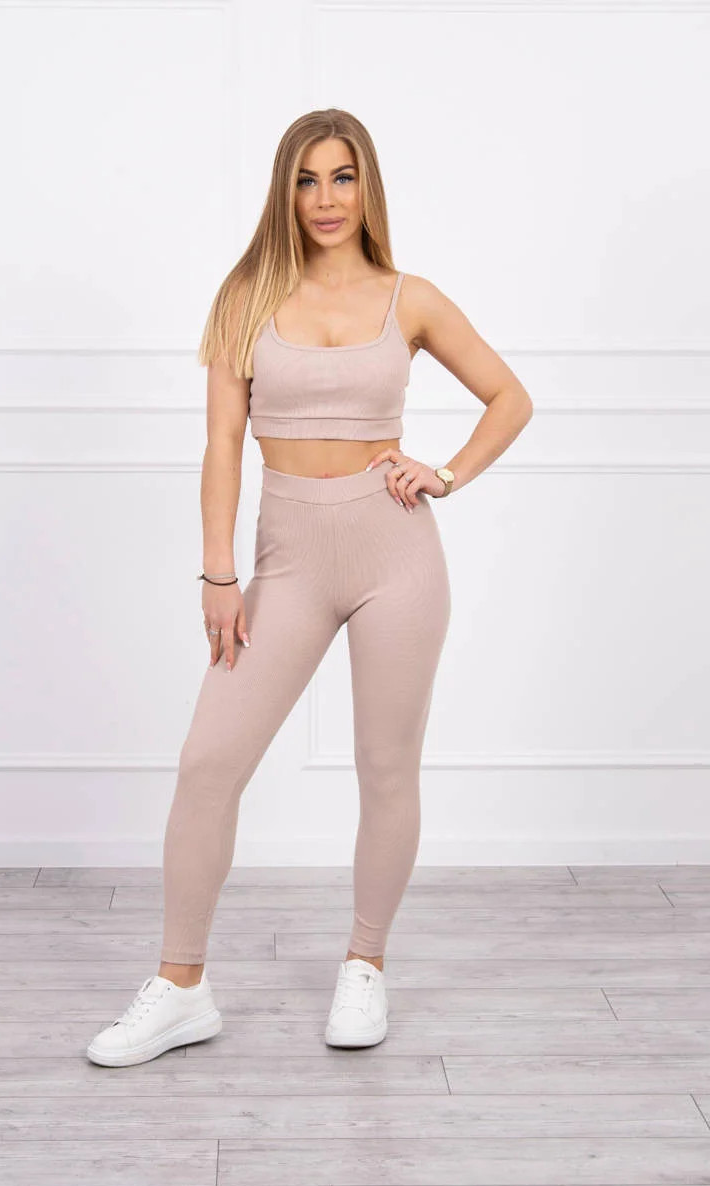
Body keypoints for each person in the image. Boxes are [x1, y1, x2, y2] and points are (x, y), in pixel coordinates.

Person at [87, 108, 533, 1068]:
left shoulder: (410, 299)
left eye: (342, 177)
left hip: (395, 555)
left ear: (367, 187)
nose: (325, 199)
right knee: (209, 763)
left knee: (385, 768)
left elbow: (511, 397)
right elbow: (222, 446)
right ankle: (181, 987)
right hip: (286, 561)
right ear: (283, 191)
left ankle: (366, 964)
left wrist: (445, 473)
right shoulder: (247, 296)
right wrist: (219, 573)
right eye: (306, 179)